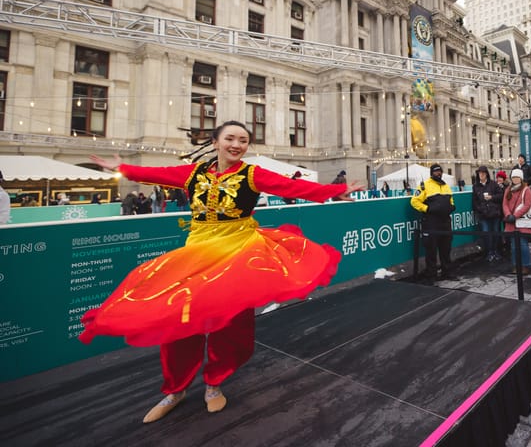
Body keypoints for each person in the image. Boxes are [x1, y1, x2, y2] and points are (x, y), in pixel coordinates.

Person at [80, 120, 362, 424]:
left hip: (240, 251)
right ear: (216, 142)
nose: (236, 145)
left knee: (231, 323)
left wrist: (336, 191)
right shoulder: (193, 173)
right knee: (180, 319)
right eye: (230, 138)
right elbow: (155, 174)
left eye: (243, 140)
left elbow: (292, 187)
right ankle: (176, 389)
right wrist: (122, 167)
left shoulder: (252, 174)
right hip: (197, 253)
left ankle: (214, 383)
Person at [410, 163, 456, 280]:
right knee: (431, 250)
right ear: (431, 173)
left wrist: (451, 206)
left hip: (445, 222)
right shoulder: (425, 185)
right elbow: (414, 201)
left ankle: (447, 272)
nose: (438, 173)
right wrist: (427, 209)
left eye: (440, 171)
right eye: (436, 171)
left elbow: (451, 200)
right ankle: (431, 275)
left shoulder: (446, 185)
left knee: (446, 249)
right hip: (431, 222)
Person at [502, 168, 531, 273]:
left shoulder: (526, 189)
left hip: (521, 221)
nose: (515, 179)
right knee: (514, 246)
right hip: (511, 221)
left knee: (523, 245)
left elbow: (527, 205)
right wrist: (508, 214)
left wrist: (515, 215)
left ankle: (525, 265)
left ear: (521, 178)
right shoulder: (508, 189)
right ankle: (516, 265)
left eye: (517, 177)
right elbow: (505, 204)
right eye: (513, 177)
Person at [472, 165, 504, 263]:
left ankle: (496, 251)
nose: (481, 175)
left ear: (486, 174)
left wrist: (491, 198)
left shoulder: (493, 184)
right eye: (479, 173)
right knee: (486, 234)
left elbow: (501, 196)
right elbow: (475, 202)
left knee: (495, 233)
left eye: (483, 173)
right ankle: (489, 252)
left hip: (494, 213)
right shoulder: (476, 186)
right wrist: (480, 209)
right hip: (483, 214)